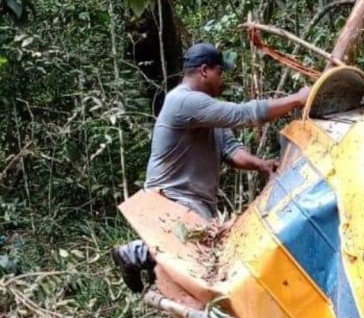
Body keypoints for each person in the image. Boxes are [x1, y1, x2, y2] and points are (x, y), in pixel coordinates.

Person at [112, 42, 310, 292]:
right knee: (196, 263)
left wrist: (261, 165)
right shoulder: (184, 102)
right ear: (204, 71)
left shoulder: (207, 110)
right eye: (219, 72)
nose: (222, 79)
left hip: (196, 203)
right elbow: (244, 114)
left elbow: (230, 149)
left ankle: (145, 259)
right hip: (173, 200)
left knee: (200, 270)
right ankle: (135, 252)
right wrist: (296, 100)